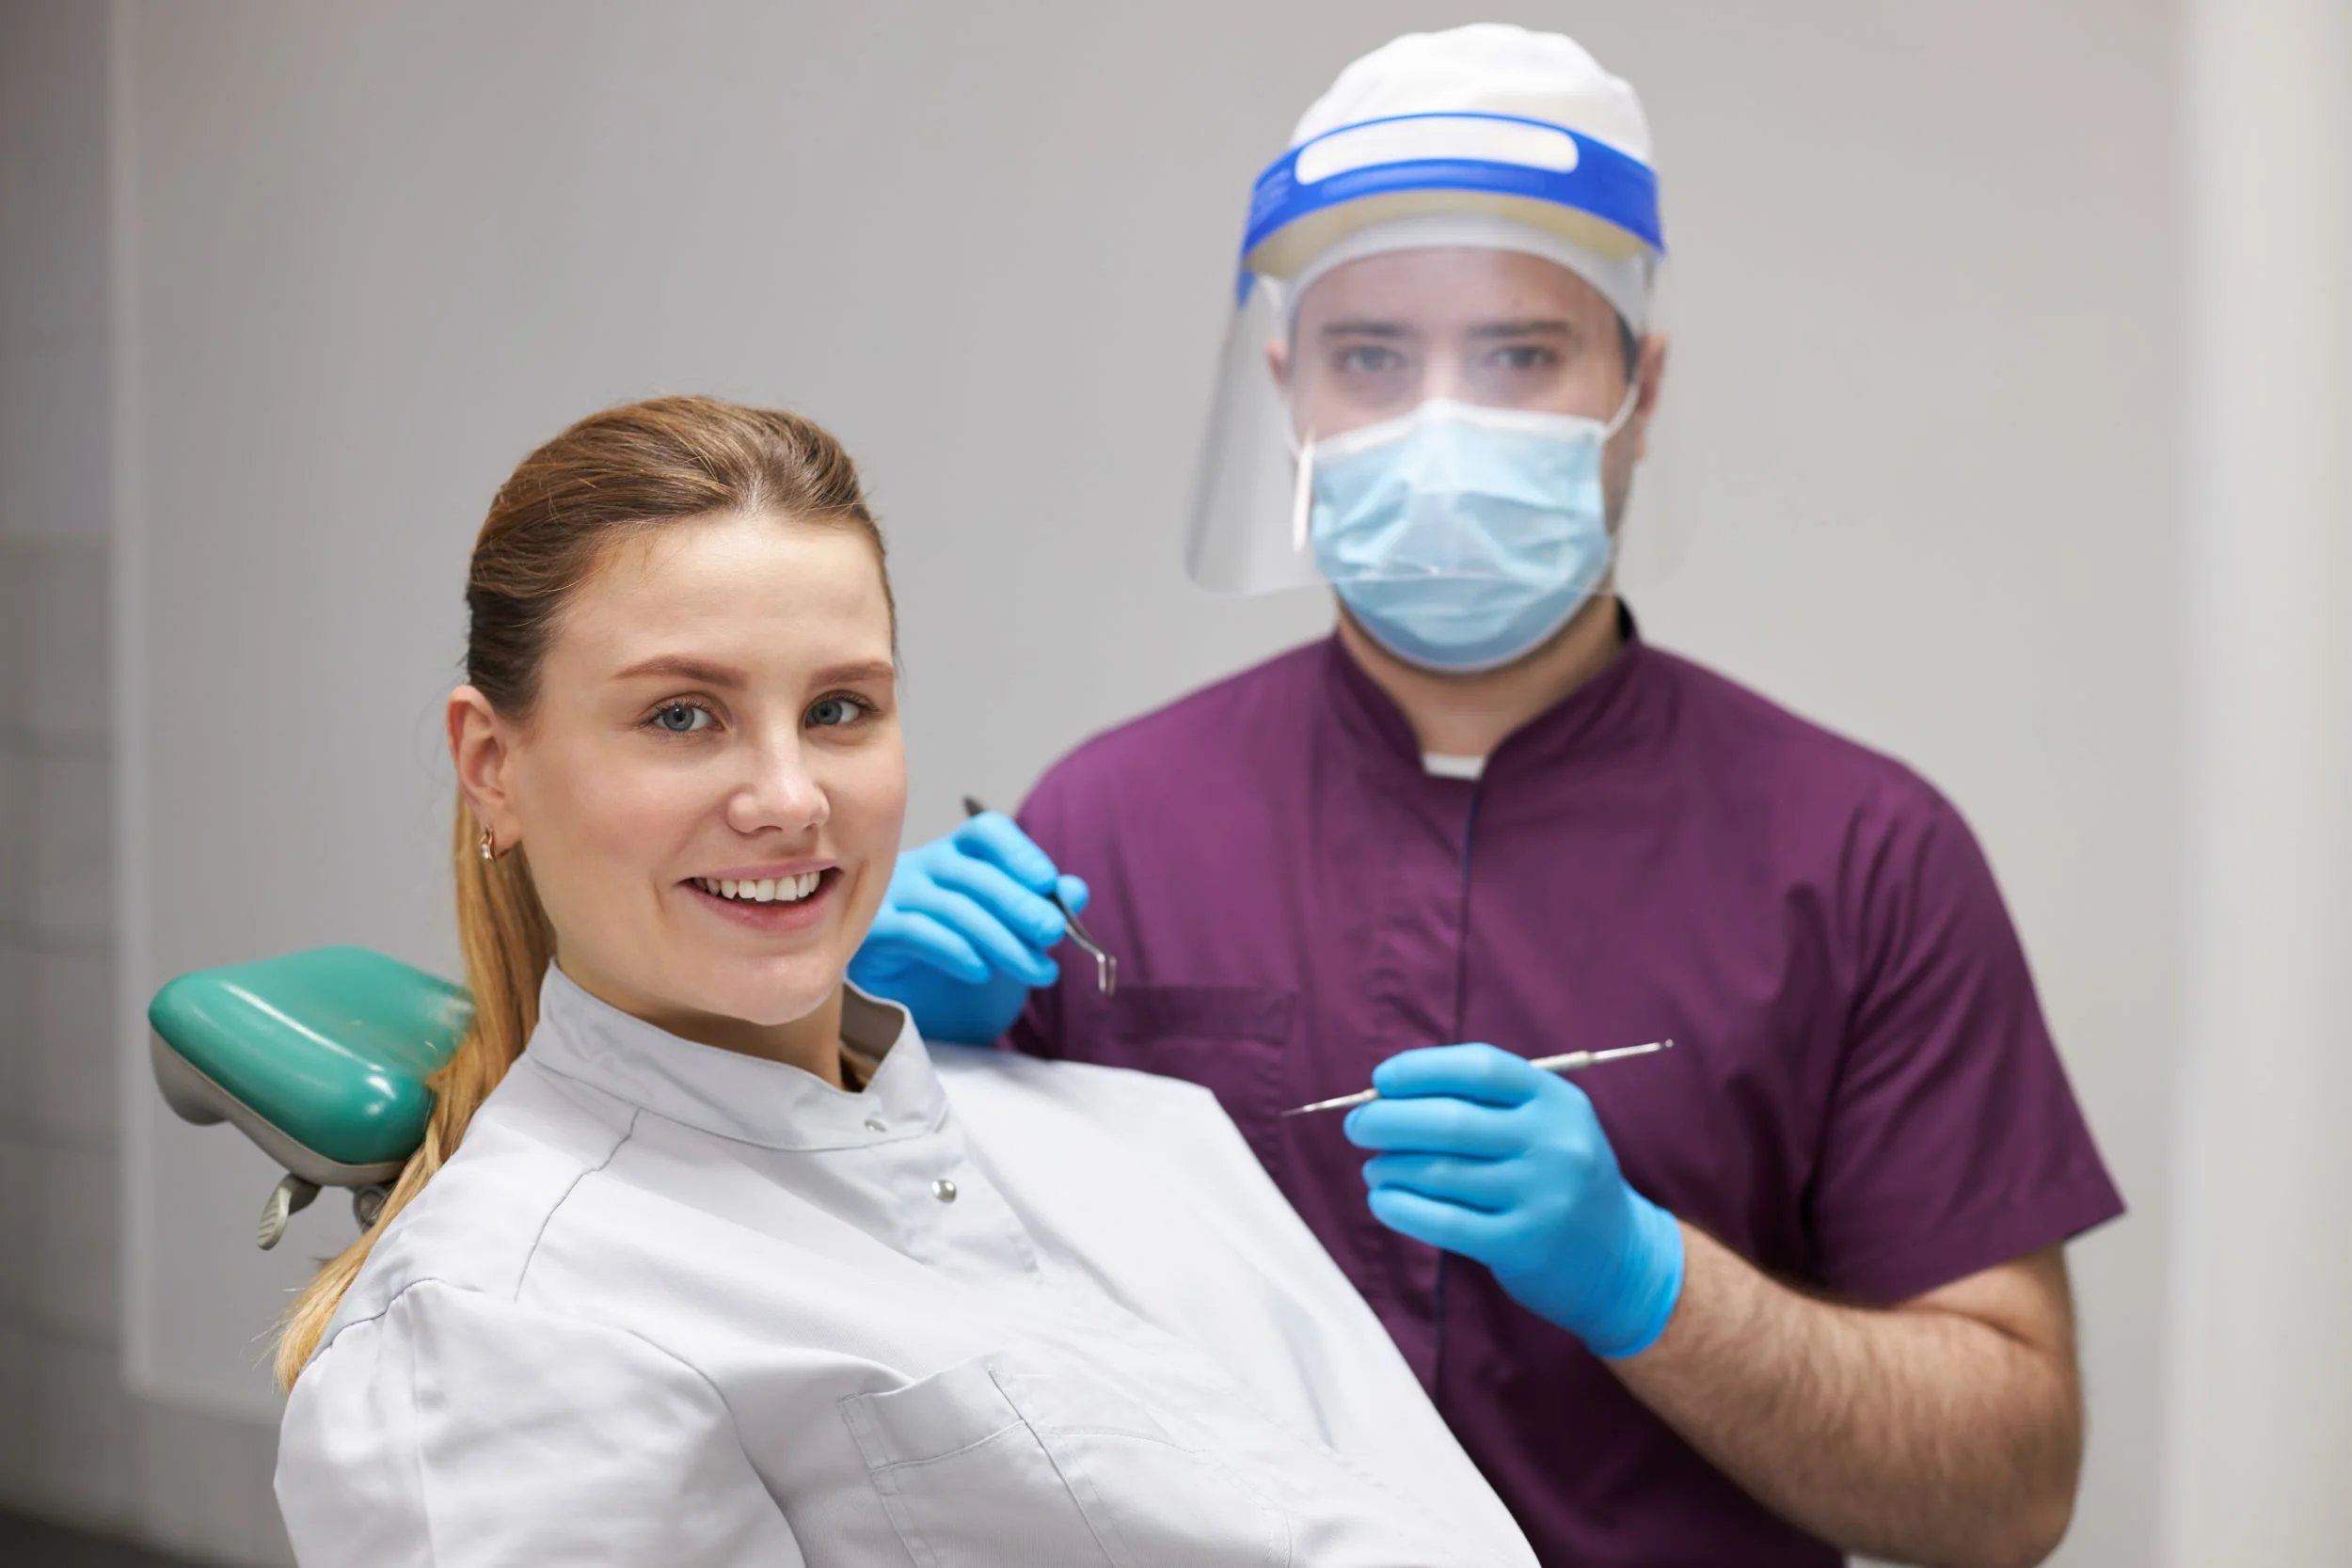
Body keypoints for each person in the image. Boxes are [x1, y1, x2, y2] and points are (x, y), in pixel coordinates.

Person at [846, 24, 2125, 1568]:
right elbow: (867, 1368)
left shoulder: (1864, 857)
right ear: (1290, 390)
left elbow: (2007, 1490)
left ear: (1638, 389)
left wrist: (1650, 1280)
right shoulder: (1110, 820)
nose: (1442, 428)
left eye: (1520, 354)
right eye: (1373, 356)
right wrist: (855, 1059)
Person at [268, 396, 1542, 1566]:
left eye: (838, 709)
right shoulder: (508, 1329)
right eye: (681, 716)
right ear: (492, 763)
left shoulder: (1110, 1126)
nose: (789, 798)